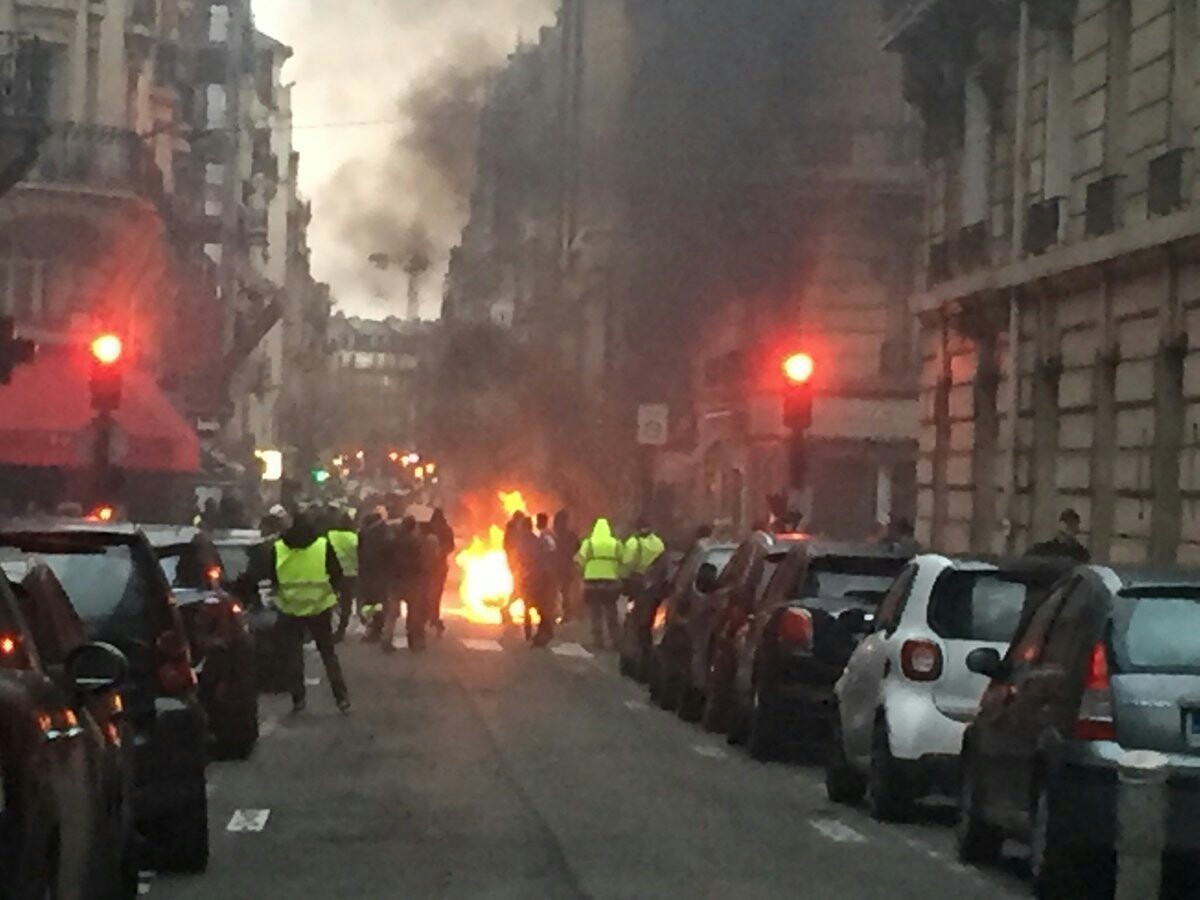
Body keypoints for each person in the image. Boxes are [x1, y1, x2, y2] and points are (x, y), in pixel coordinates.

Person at [271, 510, 351, 714]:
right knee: (328, 654)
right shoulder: (322, 546)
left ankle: (298, 699)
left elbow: (272, 576)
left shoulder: (279, 547)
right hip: (319, 606)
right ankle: (341, 697)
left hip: (290, 608)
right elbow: (336, 574)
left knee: (294, 656)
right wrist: (334, 593)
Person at [577, 517, 625, 650]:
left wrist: (586, 570)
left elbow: (580, 560)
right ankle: (615, 640)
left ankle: (598, 641)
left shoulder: (589, 543)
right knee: (611, 611)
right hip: (610, 582)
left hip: (592, 582)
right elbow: (623, 559)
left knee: (595, 612)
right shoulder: (615, 543)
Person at [382, 516, 425, 652]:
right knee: (413, 613)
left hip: (394, 580)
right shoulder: (416, 542)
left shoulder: (393, 540)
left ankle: (386, 641)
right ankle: (413, 642)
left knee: (392, 614)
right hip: (411, 581)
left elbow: (386, 558)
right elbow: (420, 561)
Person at [358, 507, 392, 642]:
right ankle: (377, 628)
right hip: (381, 574)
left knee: (372, 602)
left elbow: (361, 553)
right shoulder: (386, 532)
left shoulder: (366, 534)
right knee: (378, 602)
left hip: (371, 574)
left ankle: (375, 630)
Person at [327, 510, 360, 642]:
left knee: (328, 602)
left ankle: (328, 628)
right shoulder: (354, 538)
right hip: (350, 575)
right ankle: (341, 629)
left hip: (332, 574)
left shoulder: (330, 535)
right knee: (347, 604)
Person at [527, 513, 559, 646]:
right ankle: (544, 631)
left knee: (543, 604)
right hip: (545, 575)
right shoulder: (545, 536)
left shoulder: (546, 537)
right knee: (542, 605)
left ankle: (545, 631)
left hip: (546, 576)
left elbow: (549, 554)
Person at [426, 508, 455, 634]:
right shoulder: (446, 529)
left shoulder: (428, 528)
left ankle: (431, 617)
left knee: (428, 593)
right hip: (440, 567)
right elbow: (451, 546)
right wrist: (442, 553)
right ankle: (434, 617)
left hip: (428, 566)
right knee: (436, 594)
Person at [553, 509, 581, 622]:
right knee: (565, 592)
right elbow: (577, 548)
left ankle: (555, 614)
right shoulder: (571, 536)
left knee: (556, 592)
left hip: (556, 567)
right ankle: (566, 614)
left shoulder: (554, 536)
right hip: (566, 567)